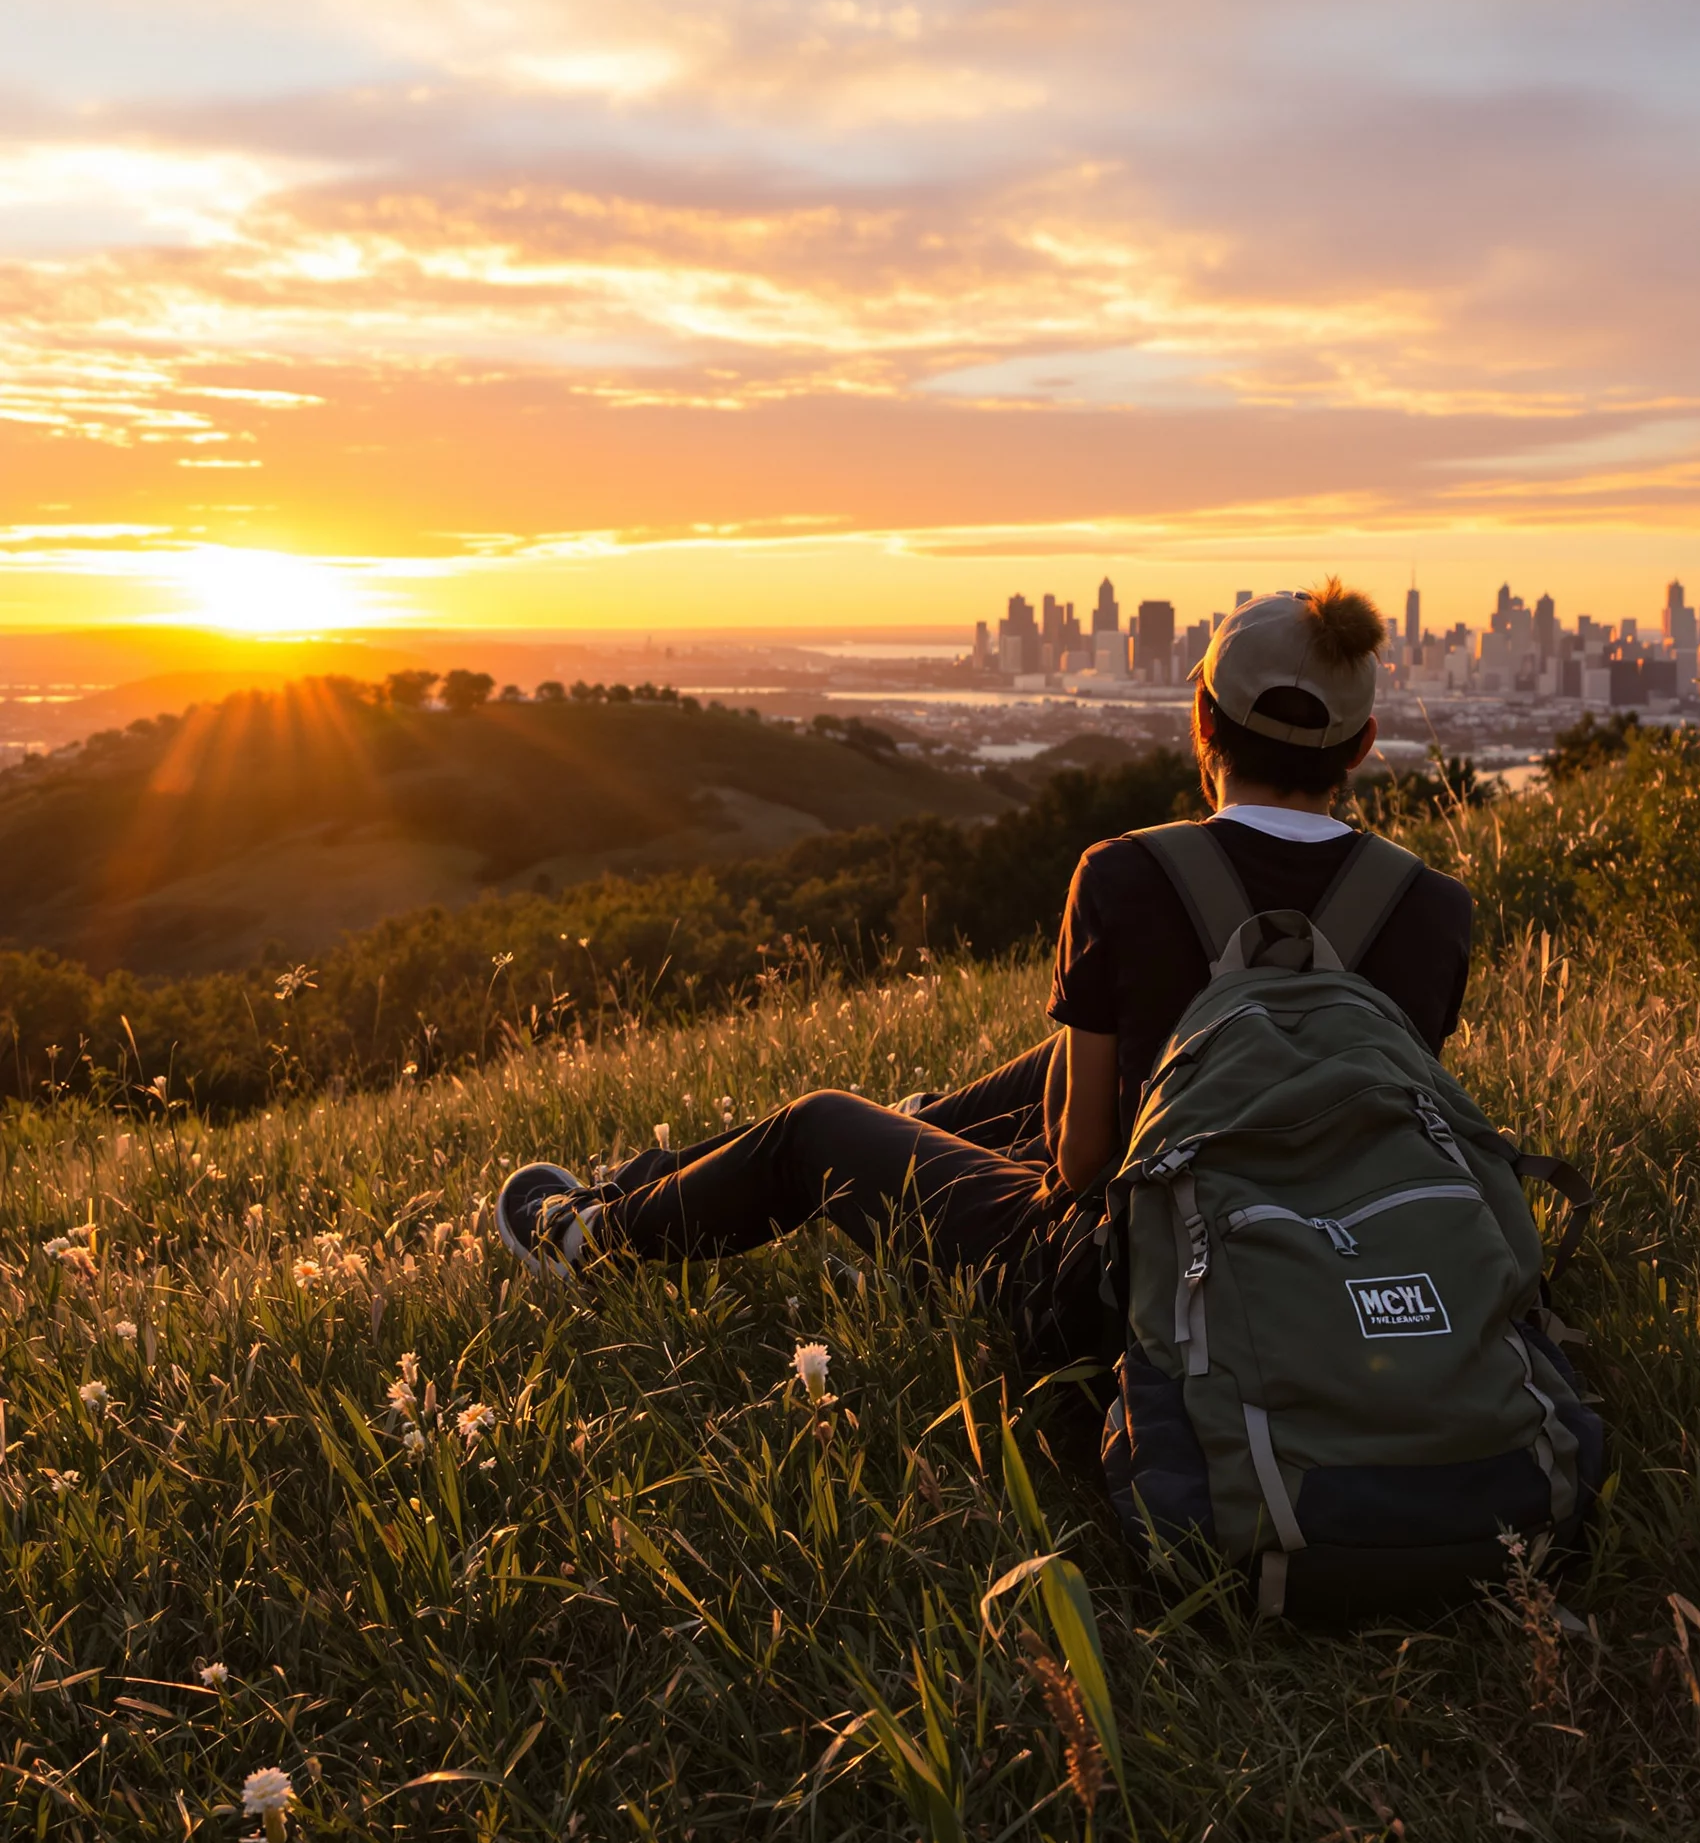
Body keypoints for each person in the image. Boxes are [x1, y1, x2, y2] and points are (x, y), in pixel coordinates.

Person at [495, 579, 1473, 1367]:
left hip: (1127, 1291)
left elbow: (1082, 1167)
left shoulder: (1127, 874)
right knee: (1072, 1061)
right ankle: (743, 1167)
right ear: (1361, 746)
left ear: (1201, 722)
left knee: (817, 1128)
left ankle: (586, 1242)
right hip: (1349, 1268)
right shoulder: (1430, 907)